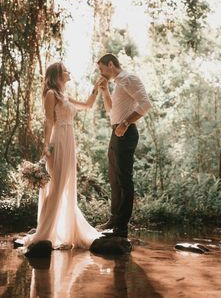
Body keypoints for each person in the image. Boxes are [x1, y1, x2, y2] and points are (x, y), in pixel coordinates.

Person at [23, 62, 102, 249]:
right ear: (58, 75)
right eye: (66, 70)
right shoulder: (51, 94)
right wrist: (46, 149)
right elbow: (49, 122)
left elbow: (88, 105)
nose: (69, 72)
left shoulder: (64, 95)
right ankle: (44, 233)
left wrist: (96, 88)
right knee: (56, 186)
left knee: (66, 184)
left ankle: (65, 231)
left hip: (69, 141)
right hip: (57, 141)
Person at [97, 54, 152, 238]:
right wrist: (104, 91)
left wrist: (126, 123)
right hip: (116, 132)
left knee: (124, 179)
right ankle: (114, 219)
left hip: (126, 133)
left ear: (110, 64)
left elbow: (146, 104)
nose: (101, 73)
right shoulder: (118, 84)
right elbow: (111, 110)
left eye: (101, 69)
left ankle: (121, 227)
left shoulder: (129, 78)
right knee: (114, 178)